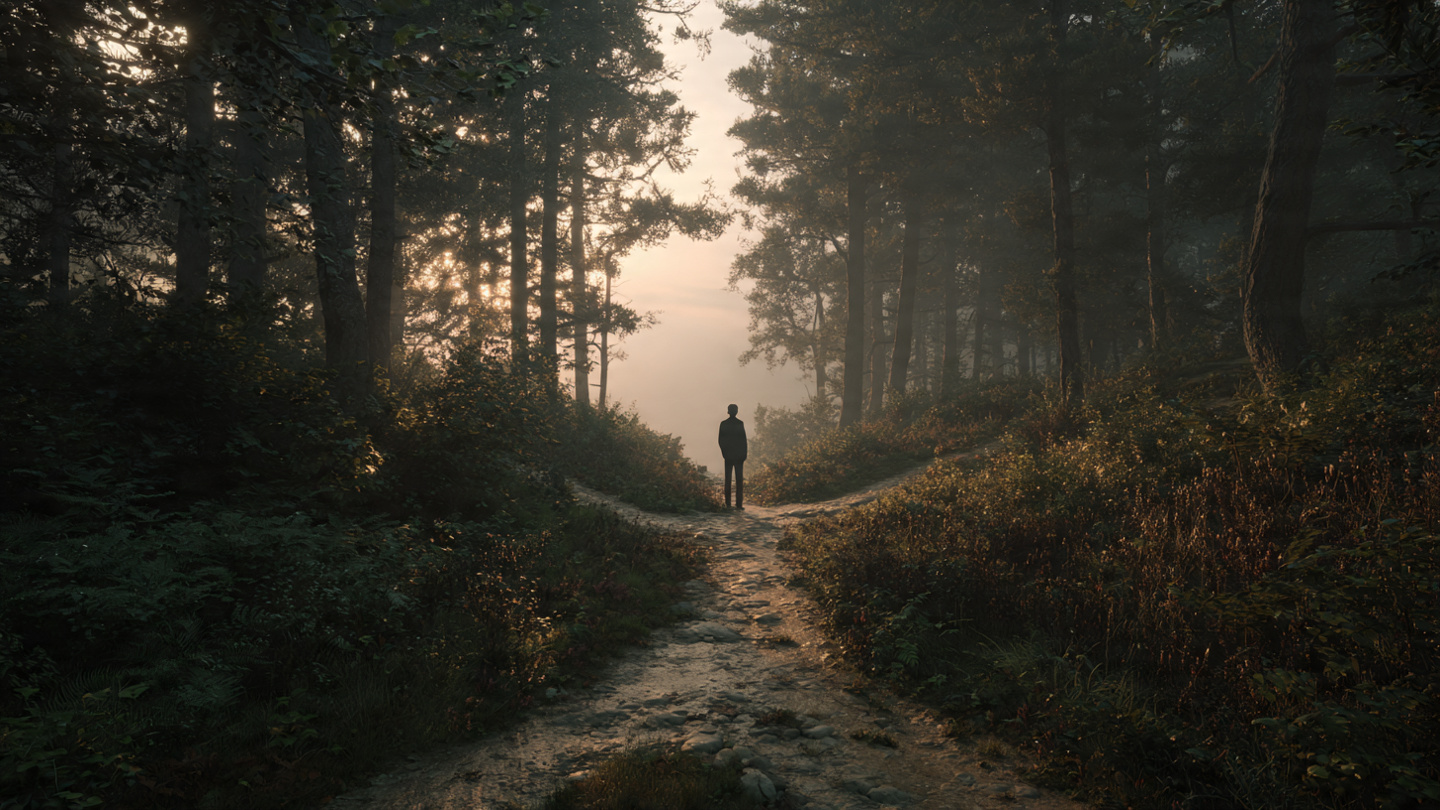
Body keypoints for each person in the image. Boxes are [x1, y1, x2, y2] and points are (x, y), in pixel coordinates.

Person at [718, 403, 747, 509]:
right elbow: (743, 441)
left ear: (728, 411)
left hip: (728, 456)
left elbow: (721, 441)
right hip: (739, 456)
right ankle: (739, 504)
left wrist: (725, 453)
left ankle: (728, 503)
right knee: (739, 481)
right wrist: (744, 455)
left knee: (728, 480)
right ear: (736, 411)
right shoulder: (740, 423)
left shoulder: (724, 424)